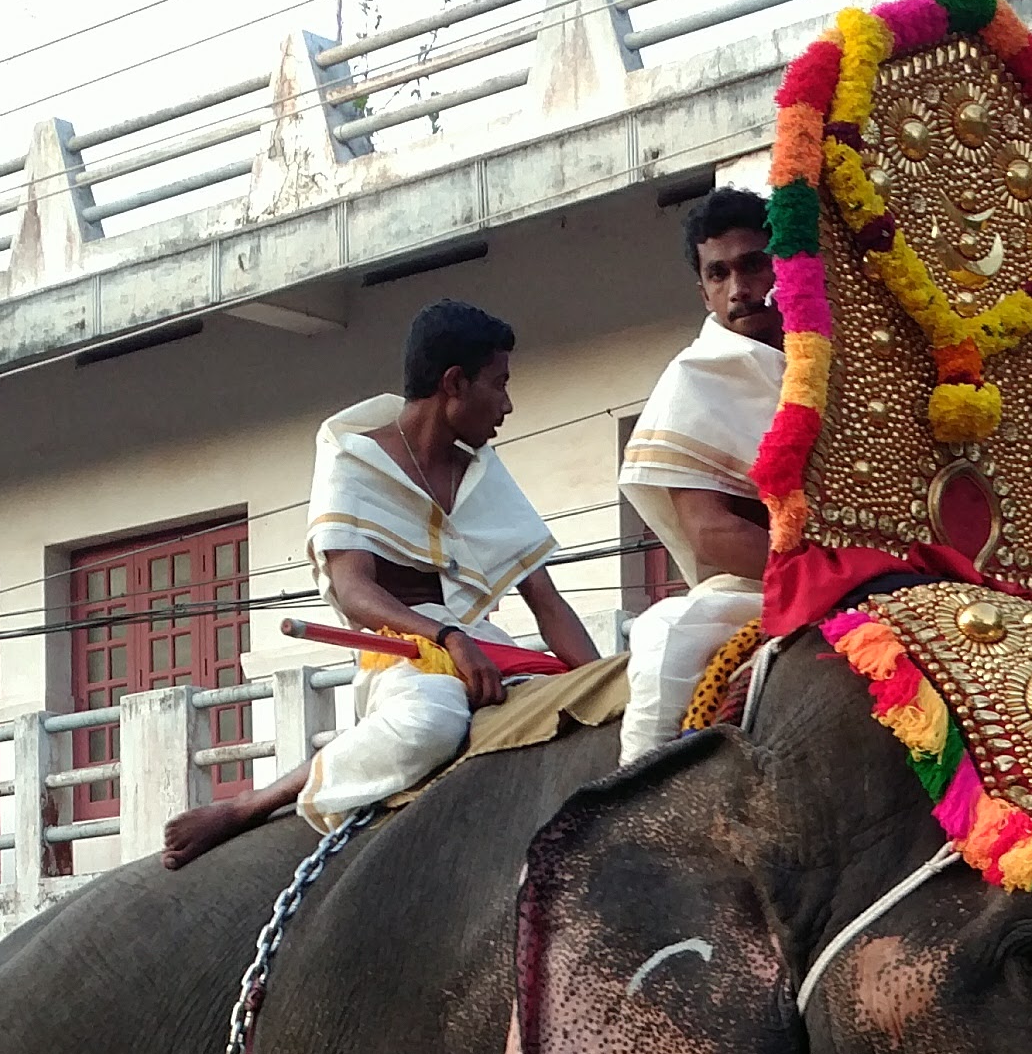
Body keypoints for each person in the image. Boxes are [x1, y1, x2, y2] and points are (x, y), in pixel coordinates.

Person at [167, 299, 595, 864]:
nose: (509, 405)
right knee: (431, 724)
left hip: (492, 657)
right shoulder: (353, 457)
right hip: (402, 661)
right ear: (455, 384)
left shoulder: (484, 474)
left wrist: (605, 679)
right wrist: (447, 639)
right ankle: (251, 806)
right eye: (500, 384)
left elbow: (548, 603)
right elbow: (354, 591)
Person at [616, 185, 787, 760]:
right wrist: (823, 575)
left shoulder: (846, 357)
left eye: (753, 265)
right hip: (758, 590)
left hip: (888, 575)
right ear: (704, 291)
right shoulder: (693, 379)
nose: (738, 289)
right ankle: (630, 825)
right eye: (718, 275)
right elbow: (711, 531)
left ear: (783, 262)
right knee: (666, 645)